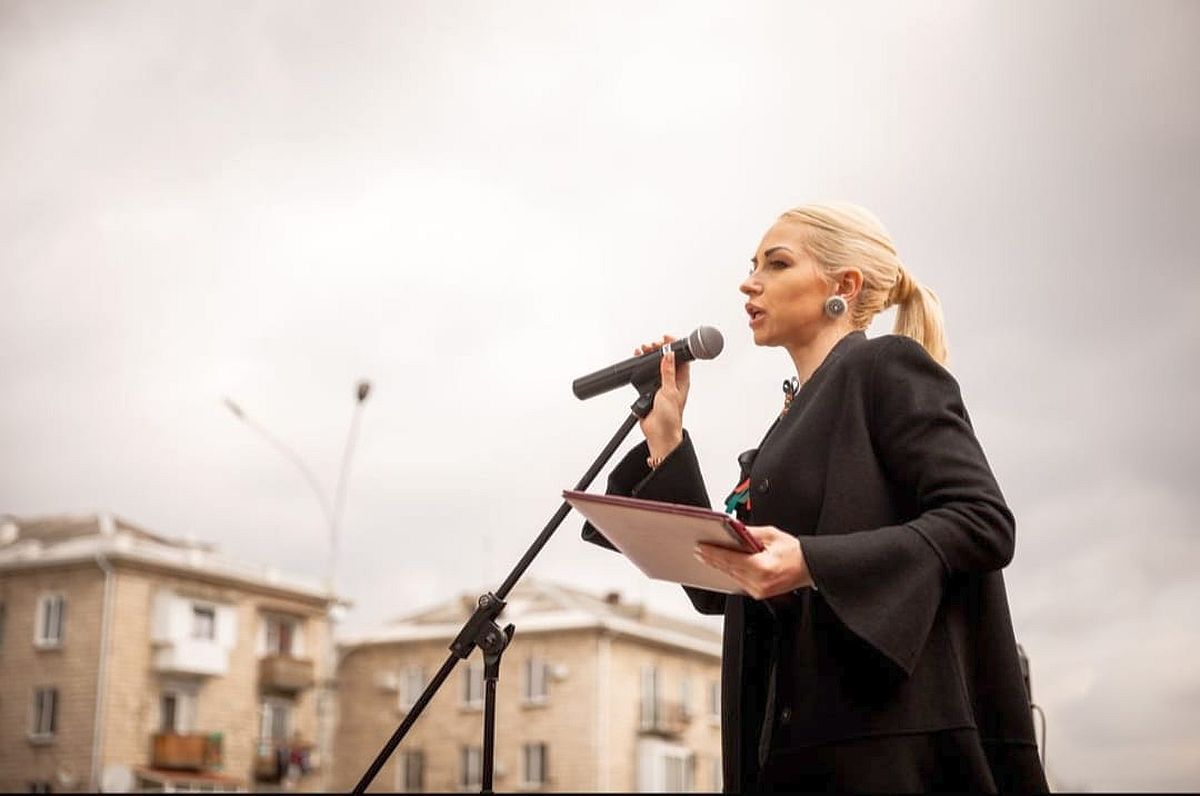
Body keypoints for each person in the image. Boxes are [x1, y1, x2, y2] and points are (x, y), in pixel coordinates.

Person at [581, 202, 1048, 792]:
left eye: (776, 264)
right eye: (752, 264)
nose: (749, 281)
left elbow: (983, 522)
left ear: (843, 286)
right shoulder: (787, 420)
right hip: (784, 751)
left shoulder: (887, 368)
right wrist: (667, 437)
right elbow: (719, 587)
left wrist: (811, 562)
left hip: (883, 751)